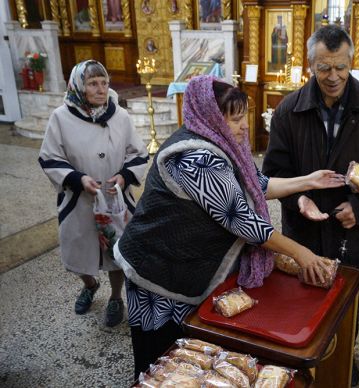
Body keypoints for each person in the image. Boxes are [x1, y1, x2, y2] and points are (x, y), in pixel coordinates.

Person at [113, 75, 346, 378]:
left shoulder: (218, 144)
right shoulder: (195, 158)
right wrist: (302, 253)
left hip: (183, 259)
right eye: (235, 119)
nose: (244, 126)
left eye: (244, 117)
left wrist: (309, 180)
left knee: (189, 356)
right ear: (212, 118)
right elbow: (241, 219)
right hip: (157, 268)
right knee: (161, 361)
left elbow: (256, 185)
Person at [262, 25, 359, 385]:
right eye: (324, 67)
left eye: (340, 67)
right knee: (303, 301)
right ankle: (304, 362)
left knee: (347, 306)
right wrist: (300, 198)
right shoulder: (288, 111)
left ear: (351, 62)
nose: (333, 77)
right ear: (310, 64)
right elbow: (274, 172)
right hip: (304, 229)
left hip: (356, 233)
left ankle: (341, 359)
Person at [38, 60, 149, 327]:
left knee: (115, 253)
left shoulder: (120, 116)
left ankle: (114, 298)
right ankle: (89, 284)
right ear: (79, 86)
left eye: (104, 83)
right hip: (79, 200)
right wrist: (78, 179)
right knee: (78, 254)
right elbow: (49, 157)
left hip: (114, 199)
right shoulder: (61, 118)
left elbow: (139, 153)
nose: (100, 89)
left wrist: (124, 177)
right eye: (92, 83)